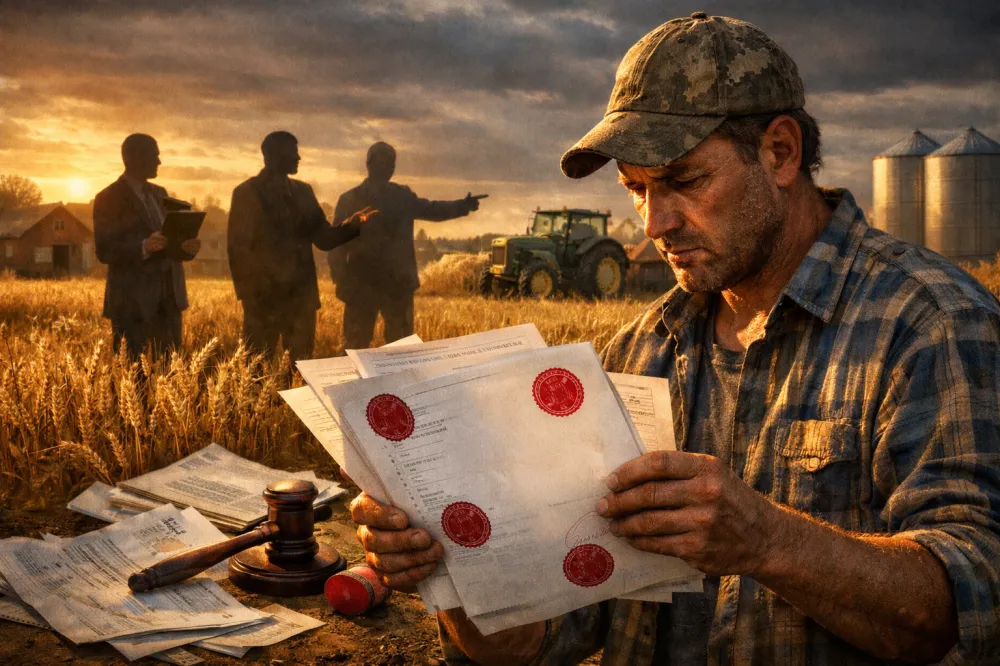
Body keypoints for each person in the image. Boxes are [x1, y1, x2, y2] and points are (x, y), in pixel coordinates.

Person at [348, 12, 1000, 665]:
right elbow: (551, 637)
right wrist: (452, 574)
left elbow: (974, 609)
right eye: (636, 189)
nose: (655, 222)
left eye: (684, 181)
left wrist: (769, 541)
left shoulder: (932, 326)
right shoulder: (640, 349)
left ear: (780, 152)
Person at [228, 131, 374, 360]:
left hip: (301, 301)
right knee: (256, 370)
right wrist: (251, 299)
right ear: (274, 155)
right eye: (293, 152)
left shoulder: (303, 192)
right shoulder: (246, 193)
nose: (299, 158)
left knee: (300, 370)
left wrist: (354, 225)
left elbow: (324, 239)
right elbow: (238, 250)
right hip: (263, 303)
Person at [328, 141, 485, 349]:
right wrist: (341, 281)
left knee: (400, 349)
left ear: (393, 168)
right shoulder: (351, 199)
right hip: (362, 287)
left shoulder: (400, 196)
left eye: (390, 164)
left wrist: (461, 206)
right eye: (382, 163)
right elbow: (336, 244)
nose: (386, 168)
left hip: (396, 286)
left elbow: (432, 210)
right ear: (369, 164)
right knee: (355, 348)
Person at [94, 133, 200, 359]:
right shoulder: (108, 197)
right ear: (134, 158)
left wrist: (186, 248)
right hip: (132, 304)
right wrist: (143, 246)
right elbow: (104, 249)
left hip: (170, 299)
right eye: (155, 156)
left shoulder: (160, 193)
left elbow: (170, 240)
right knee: (132, 379)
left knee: (171, 373)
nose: (159, 162)